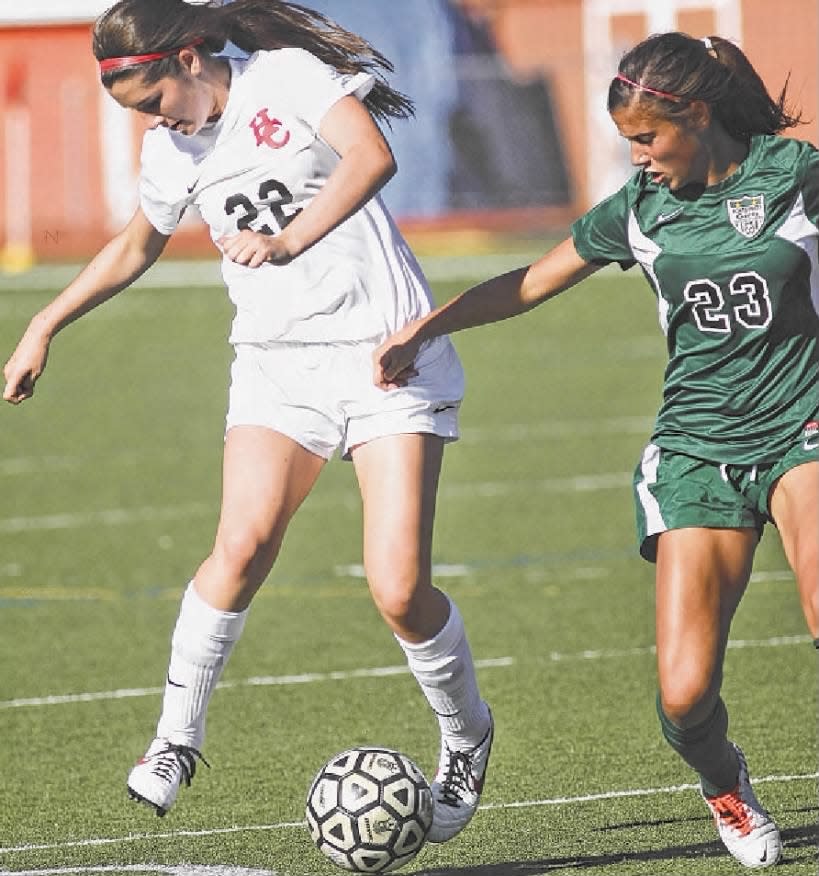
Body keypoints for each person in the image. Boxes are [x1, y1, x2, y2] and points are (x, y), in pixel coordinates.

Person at [2, 0, 494, 842]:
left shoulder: (289, 79)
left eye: (153, 102)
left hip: (386, 353)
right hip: (276, 364)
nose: (153, 123)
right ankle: (174, 740)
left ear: (189, 58)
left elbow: (372, 156)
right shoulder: (170, 151)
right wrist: (44, 325)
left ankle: (465, 733)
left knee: (398, 589)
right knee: (239, 545)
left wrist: (292, 238)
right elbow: (134, 245)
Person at [374, 31, 818, 870]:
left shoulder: (793, 175)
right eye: (628, 144)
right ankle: (724, 785)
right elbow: (531, 282)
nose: (638, 158)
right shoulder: (637, 212)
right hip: (696, 452)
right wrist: (428, 326)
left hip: (805, 422)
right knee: (684, 699)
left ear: (695, 114)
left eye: (646, 139)